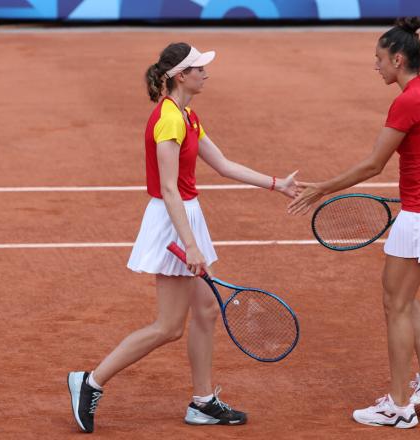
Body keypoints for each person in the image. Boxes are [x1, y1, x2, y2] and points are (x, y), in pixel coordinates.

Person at [67, 42, 298, 433]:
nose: (206, 73)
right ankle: (90, 381)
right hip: (173, 221)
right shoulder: (169, 120)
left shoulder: (187, 115)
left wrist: (276, 184)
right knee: (169, 326)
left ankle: (203, 402)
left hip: (188, 215)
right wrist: (190, 244)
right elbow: (169, 190)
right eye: (199, 69)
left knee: (206, 311)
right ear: (180, 76)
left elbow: (223, 165)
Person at [288, 17, 420, 429]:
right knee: (402, 294)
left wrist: (322, 189)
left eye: (379, 59)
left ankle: (399, 406)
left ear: (398, 59)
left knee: (394, 304)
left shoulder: (406, 101)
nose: (376, 66)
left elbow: (373, 163)